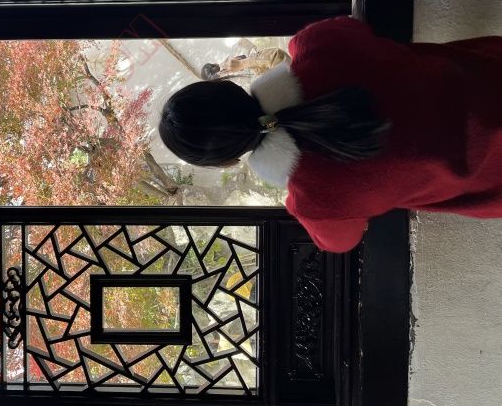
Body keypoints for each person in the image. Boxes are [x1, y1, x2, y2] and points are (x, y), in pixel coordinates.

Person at [158, 16, 502, 252]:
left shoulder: (315, 202)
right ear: (226, 87)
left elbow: (339, 242)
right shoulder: (317, 44)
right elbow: (354, 30)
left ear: (227, 161)